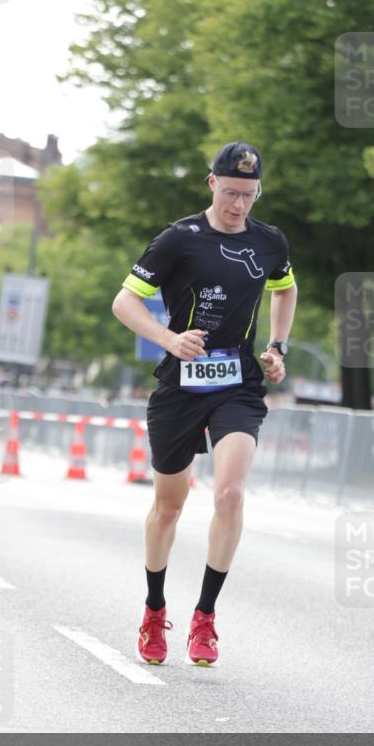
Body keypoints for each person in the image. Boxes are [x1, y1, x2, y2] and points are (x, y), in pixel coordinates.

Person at [112, 142, 297, 666]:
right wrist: (167, 339)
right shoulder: (179, 238)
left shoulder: (269, 242)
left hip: (237, 382)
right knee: (169, 507)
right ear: (211, 183)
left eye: (250, 195)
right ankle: (153, 611)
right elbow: (124, 302)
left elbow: (285, 290)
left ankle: (205, 618)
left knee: (231, 494)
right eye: (232, 192)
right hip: (179, 387)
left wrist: (277, 347)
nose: (240, 205)